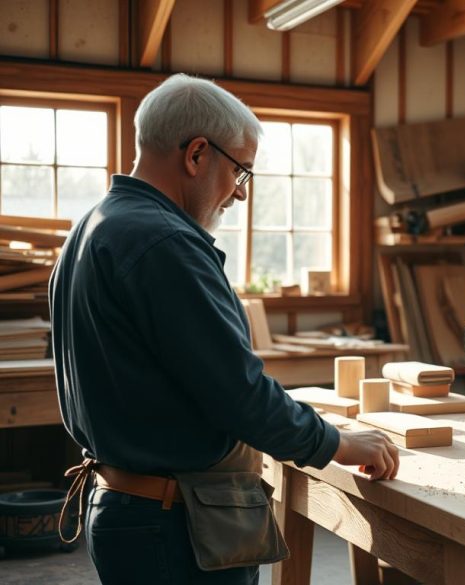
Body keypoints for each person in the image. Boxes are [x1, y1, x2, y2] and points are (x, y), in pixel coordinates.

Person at [49, 73, 399, 585]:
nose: (238, 194)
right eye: (241, 172)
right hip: (175, 526)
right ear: (196, 154)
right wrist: (341, 444)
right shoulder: (164, 242)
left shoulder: (93, 225)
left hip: (128, 506)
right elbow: (240, 397)